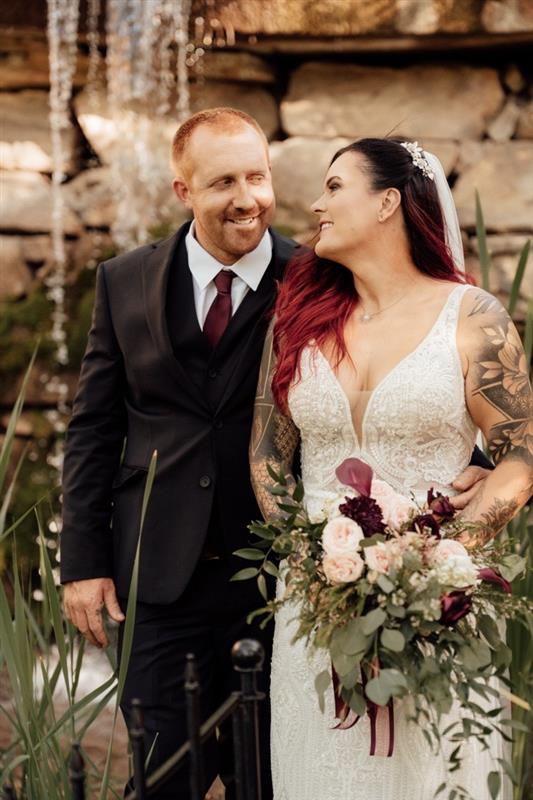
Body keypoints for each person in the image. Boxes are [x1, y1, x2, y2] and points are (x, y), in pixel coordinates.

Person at [60, 110, 490, 800]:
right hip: (158, 574)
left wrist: (477, 462)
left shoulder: (321, 276)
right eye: (223, 181)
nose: (247, 197)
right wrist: (82, 562)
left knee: (276, 777)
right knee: (161, 776)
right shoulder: (124, 281)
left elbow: (415, 370)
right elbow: (93, 427)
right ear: (182, 190)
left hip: (287, 583)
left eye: (257, 177)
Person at [250, 138, 533, 800]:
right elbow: (266, 456)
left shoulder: (471, 318)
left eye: (333, 187)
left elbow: (518, 454)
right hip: (315, 606)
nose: (315, 205)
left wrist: (446, 563)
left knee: (427, 774)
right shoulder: (294, 322)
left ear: (387, 203)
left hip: (437, 604)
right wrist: (304, 560)